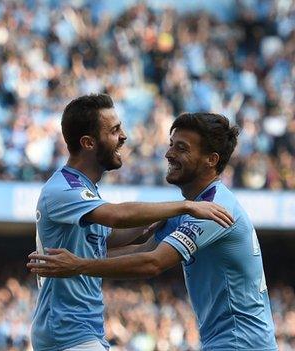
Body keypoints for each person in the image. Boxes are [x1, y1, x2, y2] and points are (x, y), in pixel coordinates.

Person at [28, 112, 278, 350]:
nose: (168, 154)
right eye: (171, 145)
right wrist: (67, 261)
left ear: (211, 160)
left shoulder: (212, 209)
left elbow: (152, 263)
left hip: (241, 343)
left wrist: (80, 265)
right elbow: (145, 248)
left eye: (181, 148)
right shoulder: (193, 208)